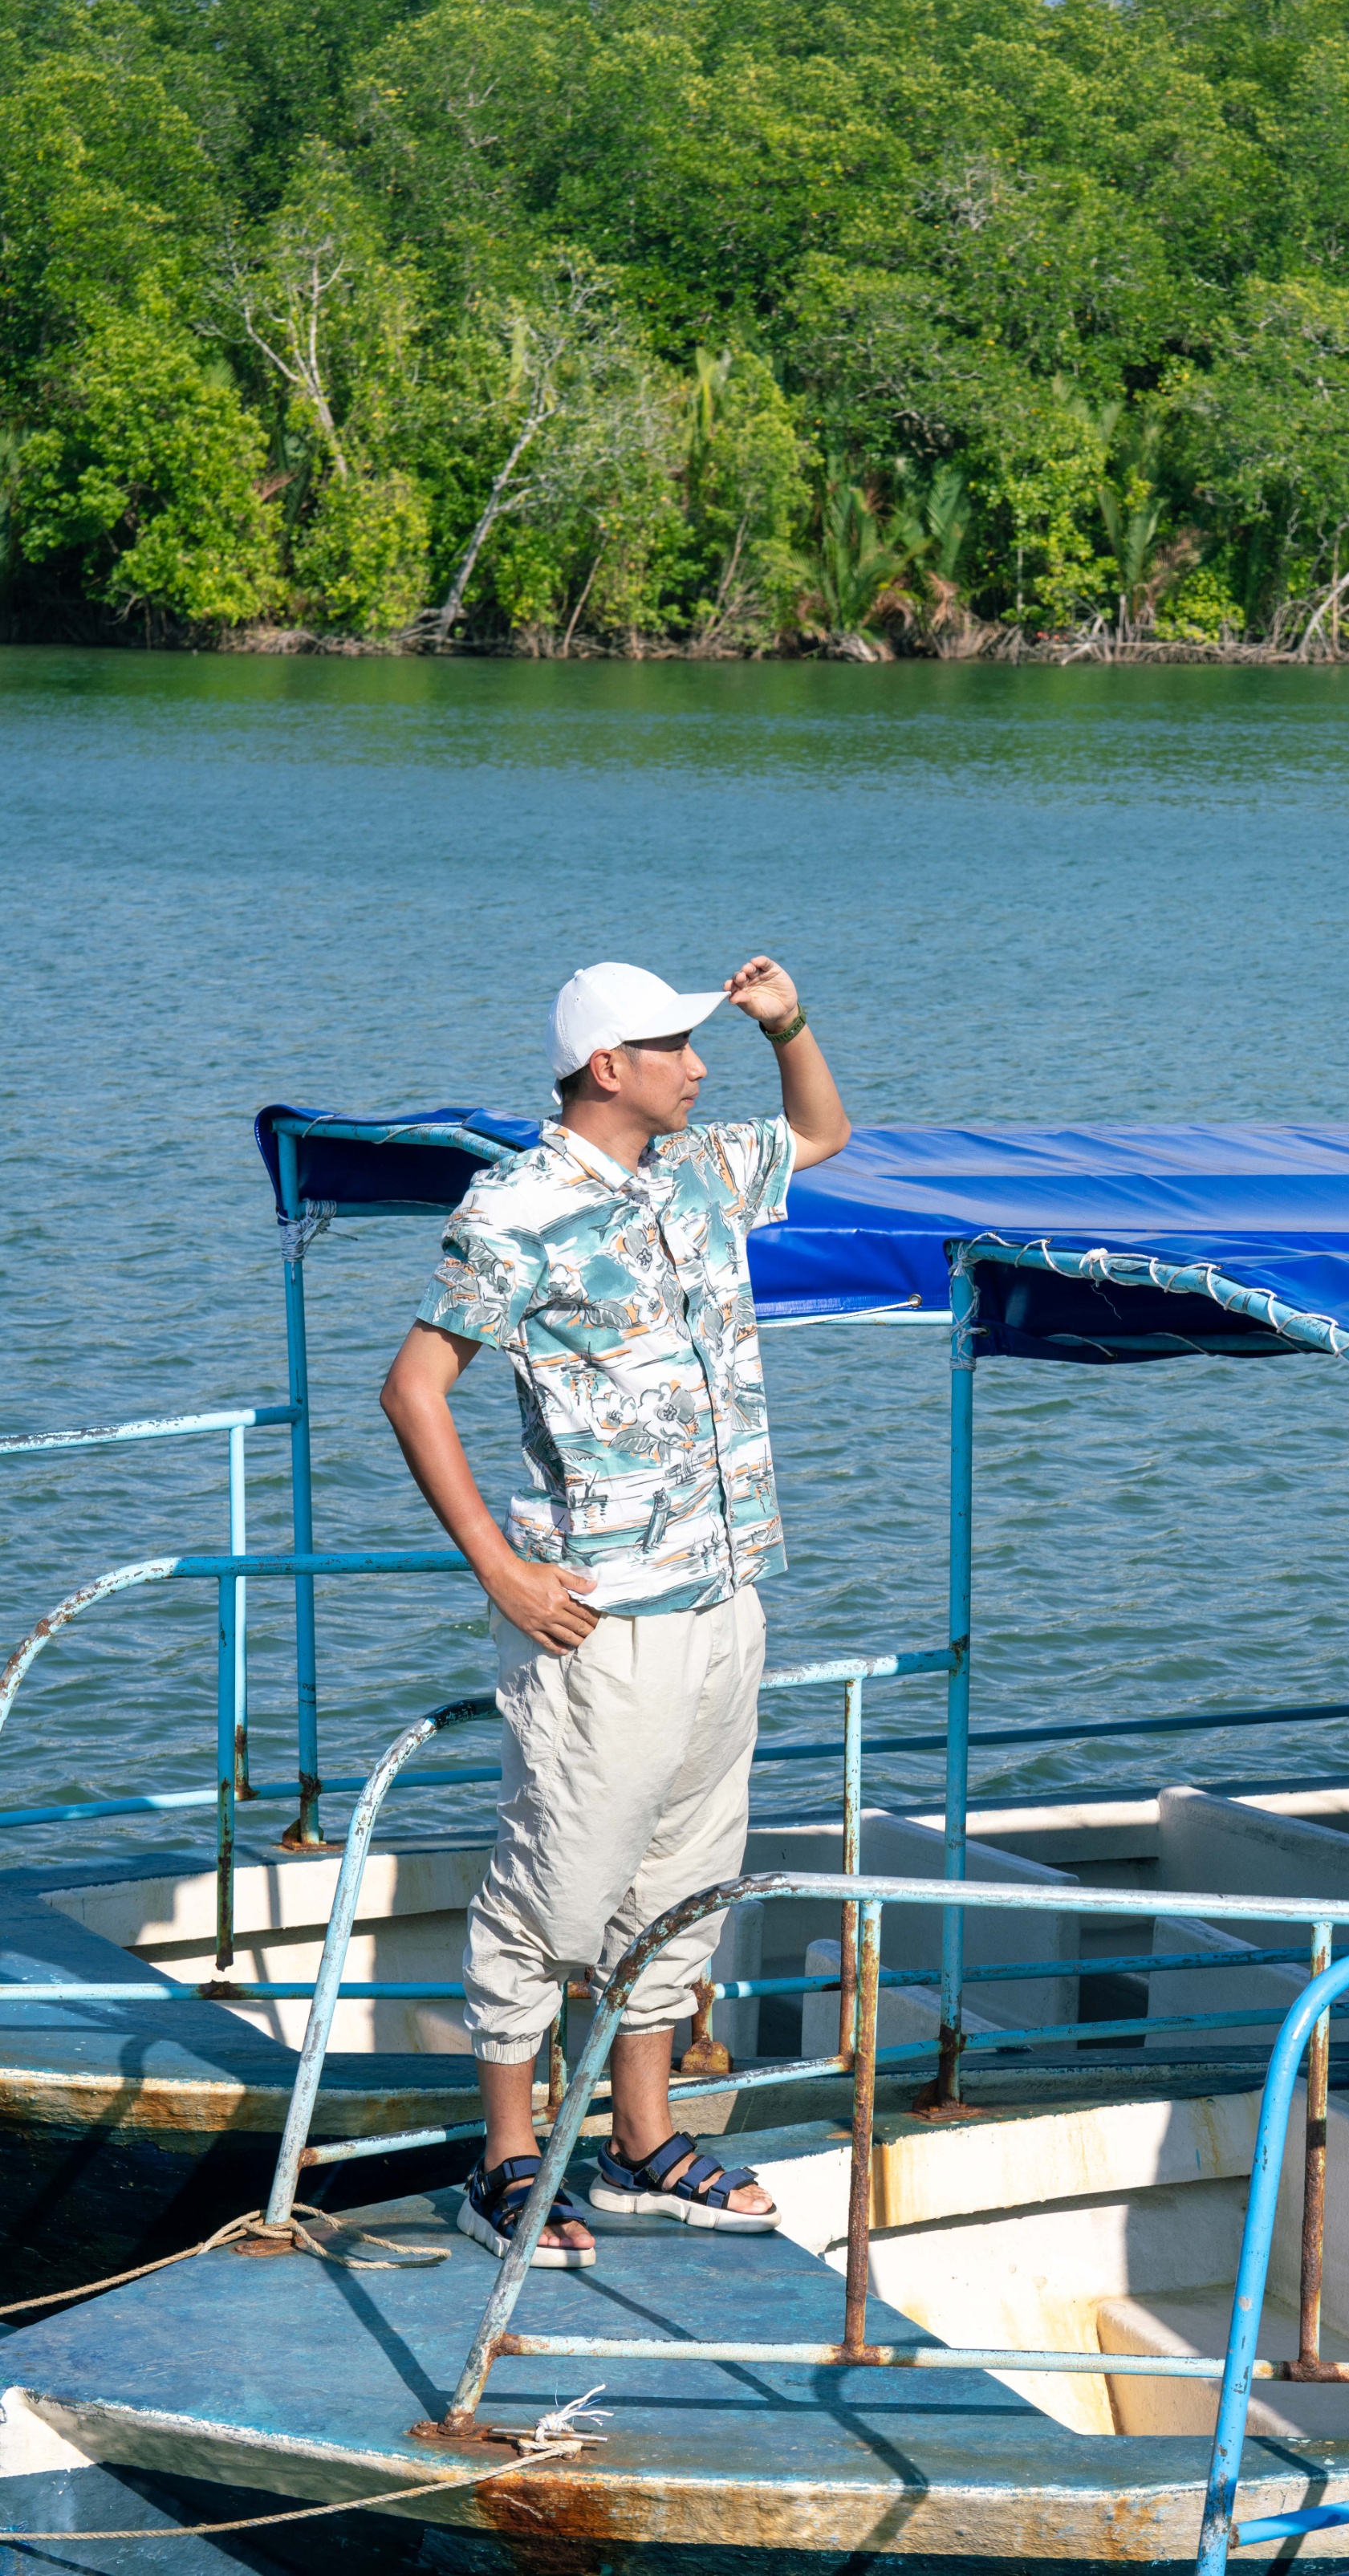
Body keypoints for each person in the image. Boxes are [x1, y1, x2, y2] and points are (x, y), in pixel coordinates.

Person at [379, 954, 849, 2268]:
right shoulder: (516, 1207)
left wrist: (787, 1022)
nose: (699, 1066)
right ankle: (510, 2160)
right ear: (607, 1067)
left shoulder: (696, 1167)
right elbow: (415, 1387)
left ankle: (642, 2141)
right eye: (676, 1047)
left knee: (689, 1882)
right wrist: (502, 1568)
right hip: (602, 1614)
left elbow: (822, 1129)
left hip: (727, 1590)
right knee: (557, 1887)